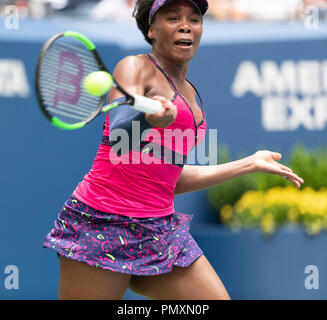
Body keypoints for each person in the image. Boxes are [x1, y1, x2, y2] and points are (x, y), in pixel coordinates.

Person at [43, 0, 304, 300]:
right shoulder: (134, 67)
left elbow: (168, 180)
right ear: (152, 29)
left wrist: (250, 163)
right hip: (103, 220)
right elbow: (119, 135)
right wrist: (147, 120)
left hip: (159, 230)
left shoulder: (192, 97)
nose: (185, 25)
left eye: (194, 19)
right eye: (173, 17)